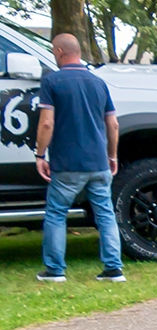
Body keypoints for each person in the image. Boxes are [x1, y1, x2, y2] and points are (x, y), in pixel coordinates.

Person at [33, 33, 124, 283]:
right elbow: (113, 124)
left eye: (53, 51)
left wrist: (40, 154)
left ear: (60, 51)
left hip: (67, 164)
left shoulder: (52, 82)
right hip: (99, 163)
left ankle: (54, 270)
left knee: (56, 213)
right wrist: (112, 155)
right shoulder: (98, 83)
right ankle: (114, 269)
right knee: (105, 214)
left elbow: (47, 123)